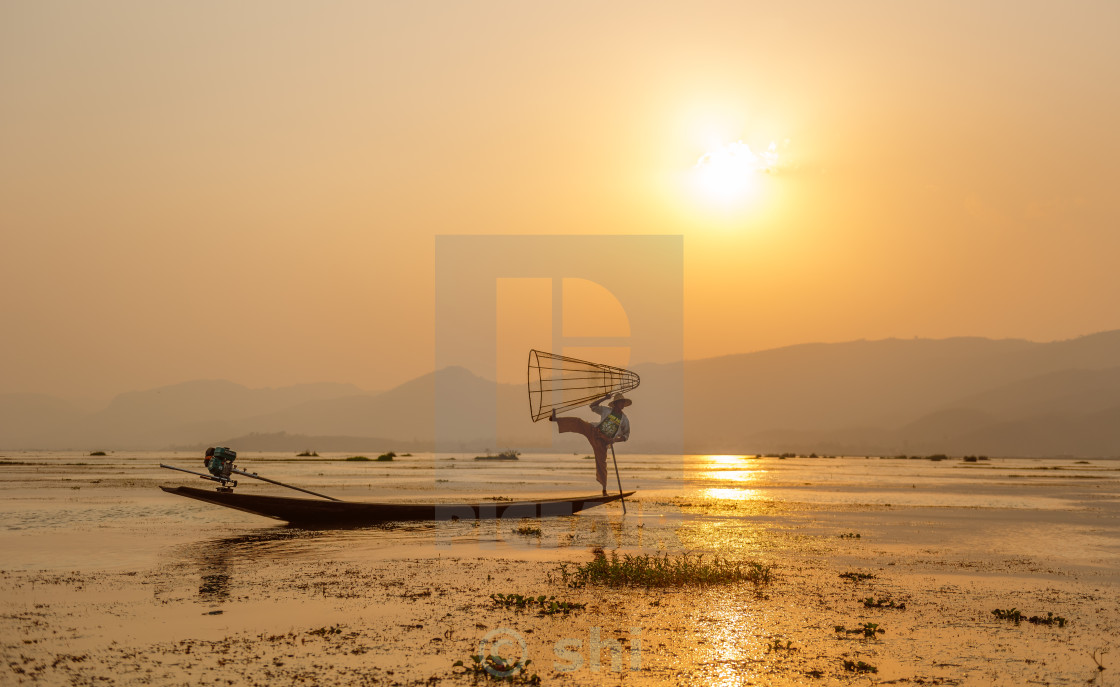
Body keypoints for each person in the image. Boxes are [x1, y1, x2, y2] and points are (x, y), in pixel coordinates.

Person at [551, 392, 631, 496]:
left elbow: (626, 436)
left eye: (623, 402)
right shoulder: (606, 410)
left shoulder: (624, 419)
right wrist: (604, 398)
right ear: (615, 403)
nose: (622, 404)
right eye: (620, 402)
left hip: (604, 442)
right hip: (594, 431)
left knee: (601, 464)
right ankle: (556, 419)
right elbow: (592, 406)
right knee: (578, 422)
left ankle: (604, 489)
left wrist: (614, 440)